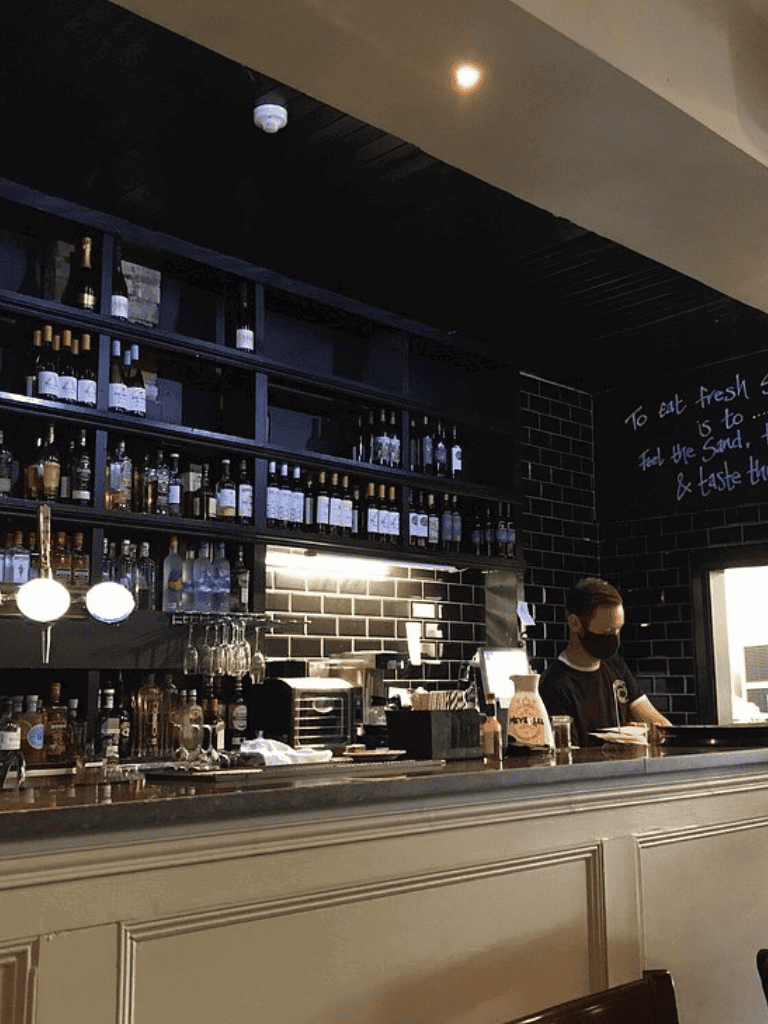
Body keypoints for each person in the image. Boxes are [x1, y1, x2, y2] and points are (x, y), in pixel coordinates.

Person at [539, 577, 670, 747]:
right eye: (607, 631)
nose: (614, 639)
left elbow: (658, 724)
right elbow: (569, 758)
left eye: (618, 630)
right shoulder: (555, 684)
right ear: (575, 623)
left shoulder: (614, 664)